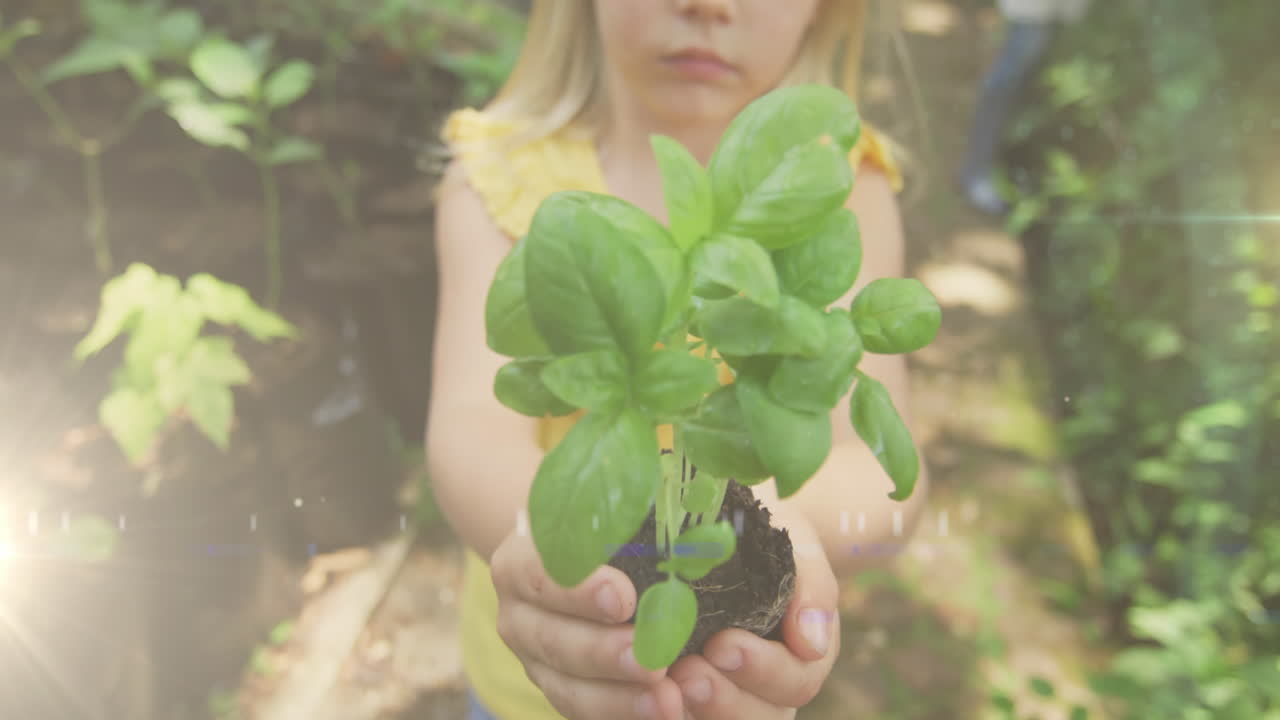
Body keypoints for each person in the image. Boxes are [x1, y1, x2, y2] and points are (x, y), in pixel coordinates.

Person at [426, 1, 932, 718]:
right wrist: (554, 558)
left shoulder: (836, 187)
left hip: (724, 682)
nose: (708, 5)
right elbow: (471, 422)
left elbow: (883, 474)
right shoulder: (500, 176)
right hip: (534, 671)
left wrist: (785, 527)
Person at [960, 0, 1091, 215]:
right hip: (1035, 10)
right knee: (1005, 83)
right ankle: (976, 173)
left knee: (1022, 86)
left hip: (1052, 11)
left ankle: (990, 171)